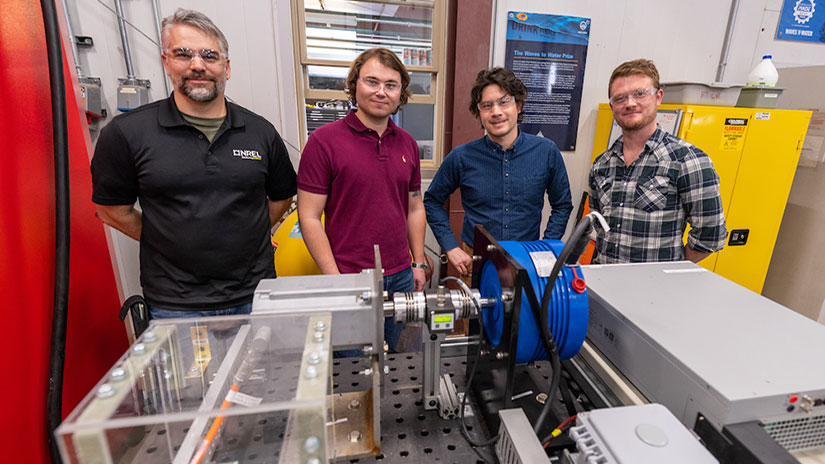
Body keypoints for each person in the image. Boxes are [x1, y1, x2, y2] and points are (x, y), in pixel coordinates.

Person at [91, 9, 297, 318]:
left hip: (253, 295)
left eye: (209, 56)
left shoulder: (260, 132)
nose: (197, 65)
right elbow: (112, 211)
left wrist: (248, 235)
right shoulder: (126, 133)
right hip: (176, 304)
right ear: (166, 62)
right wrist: (169, 242)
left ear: (226, 68)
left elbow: (282, 196)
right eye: (183, 54)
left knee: (257, 368)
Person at [296, 48, 426, 352]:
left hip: (401, 277)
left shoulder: (407, 143)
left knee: (403, 362)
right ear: (355, 85)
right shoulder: (323, 141)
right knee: (352, 370)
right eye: (372, 81)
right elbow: (309, 216)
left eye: (391, 85)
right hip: (349, 277)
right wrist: (335, 280)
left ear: (400, 93)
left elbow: (415, 206)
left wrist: (417, 262)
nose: (381, 92)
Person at [424, 67, 573, 277]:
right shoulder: (461, 157)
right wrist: (450, 246)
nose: (496, 112)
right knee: (476, 311)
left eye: (504, 102)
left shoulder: (546, 151)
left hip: (526, 258)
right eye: (487, 105)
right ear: (480, 113)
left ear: (518, 106)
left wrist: (547, 246)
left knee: (526, 310)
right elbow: (431, 201)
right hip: (475, 260)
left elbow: (562, 205)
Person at [589, 59, 726, 263]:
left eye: (640, 94)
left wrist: (668, 271)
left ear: (658, 97)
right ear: (612, 106)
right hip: (604, 283)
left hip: (656, 289)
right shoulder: (602, 165)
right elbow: (599, 226)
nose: (630, 103)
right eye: (620, 98)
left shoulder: (688, 160)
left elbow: (711, 237)